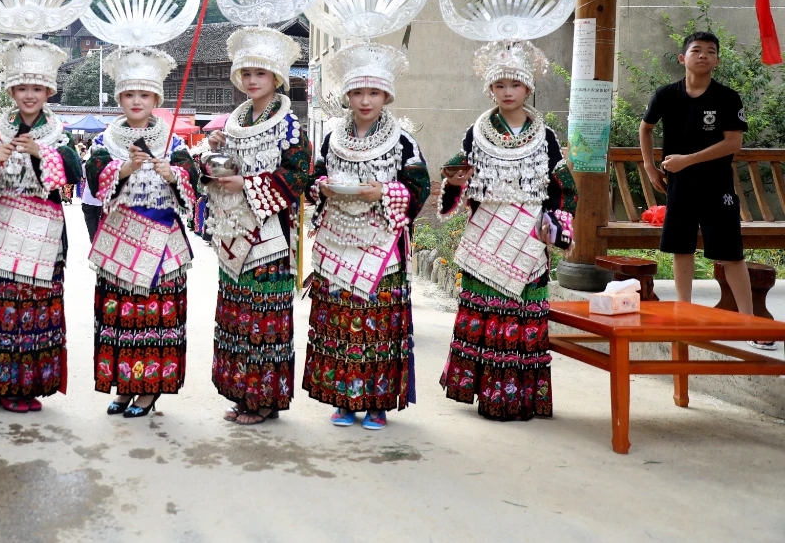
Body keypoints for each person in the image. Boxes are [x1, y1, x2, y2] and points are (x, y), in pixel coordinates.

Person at [439, 40, 576, 421]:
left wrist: (553, 225)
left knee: (522, 318)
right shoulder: (476, 133)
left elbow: (564, 188)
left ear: (528, 89)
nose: (508, 92)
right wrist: (454, 181)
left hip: (530, 238)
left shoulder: (545, 137)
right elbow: (459, 175)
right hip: (487, 234)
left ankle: (522, 398)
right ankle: (489, 395)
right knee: (487, 315)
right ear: (491, 90)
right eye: (500, 85)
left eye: (514, 84)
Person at [304, 42, 430, 430]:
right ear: (347, 95)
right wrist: (322, 188)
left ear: (386, 95)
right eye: (357, 92)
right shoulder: (330, 137)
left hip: (381, 246)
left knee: (377, 324)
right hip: (337, 238)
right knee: (338, 321)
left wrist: (385, 192)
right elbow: (313, 180)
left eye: (373, 92)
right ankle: (343, 400)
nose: (365, 100)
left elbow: (419, 187)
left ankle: (376, 403)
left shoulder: (403, 140)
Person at [0, 38, 81, 413]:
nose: (29, 95)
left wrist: (41, 153)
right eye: (22, 88)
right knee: (4, 310)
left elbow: (73, 175)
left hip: (46, 238)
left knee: (40, 311)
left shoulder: (60, 136)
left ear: (48, 91)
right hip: (2, 233)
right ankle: (4, 387)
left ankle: (34, 384)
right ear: (12, 91)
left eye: (37, 88)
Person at [204, 27, 313, 426]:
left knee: (264, 317)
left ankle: (264, 400)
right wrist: (218, 155)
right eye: (246, 73)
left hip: (270, 237)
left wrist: (247, 185)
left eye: (260, 74)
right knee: (236, 314)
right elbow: (228, 168)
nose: (252, 80)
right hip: (234, 232)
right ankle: (241, 393)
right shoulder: (235, 122)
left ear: (276, 79)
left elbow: (300, 174)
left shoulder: (288, 126)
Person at [84, 47, 200, 419]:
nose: (137, 101)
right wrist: (123, 170)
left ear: (155, 100)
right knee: (118, 317)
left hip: (162, 246)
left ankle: (149, 391)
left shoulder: (175, 144)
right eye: (130, 95)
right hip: (119, 243)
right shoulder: (105, 142)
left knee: (155, 320)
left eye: (145, 95)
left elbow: (191, 184)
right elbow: (93, 177)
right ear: (120, 99)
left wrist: (174, 174)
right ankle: (123, 387)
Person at [639, 32, 756, 327]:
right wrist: (650, 167)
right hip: (679, 186)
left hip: (717, 185)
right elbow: (646, 128)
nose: (703, 55)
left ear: (717, 60)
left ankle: (751, 322)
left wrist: (686, 160)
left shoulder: (727, 97)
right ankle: (684, 314)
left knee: (731, 253)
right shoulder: (666, 94)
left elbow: (733, 143)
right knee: (681, 248)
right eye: (696, 50)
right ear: (683, 58)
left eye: (710, 51)